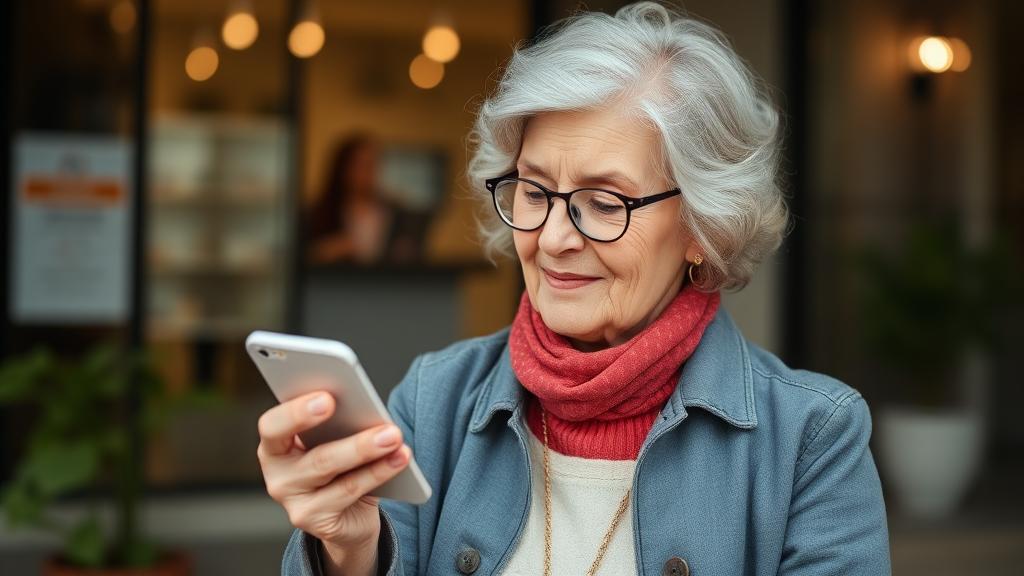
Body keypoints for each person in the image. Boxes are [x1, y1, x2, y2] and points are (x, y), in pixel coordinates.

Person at [260, 3, 891, 575]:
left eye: (604, 201)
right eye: (535, 192)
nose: (555, 237)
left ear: (705, 225)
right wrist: (346, 548)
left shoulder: (813, 439)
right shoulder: (434, 401)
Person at [306, 134, 426, 265]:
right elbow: (300, 256)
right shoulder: (321, 213)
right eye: (361, 165)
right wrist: (327, 251)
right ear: (343, 168)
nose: (368, 173)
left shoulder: (396, 213)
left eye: (373, 164)